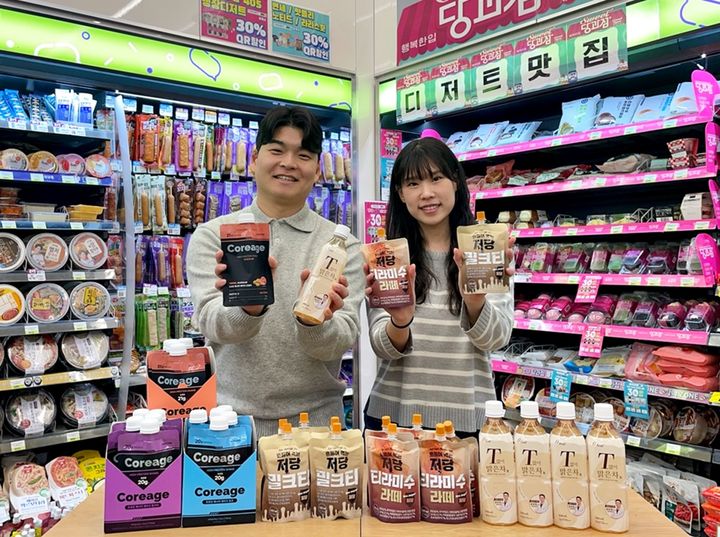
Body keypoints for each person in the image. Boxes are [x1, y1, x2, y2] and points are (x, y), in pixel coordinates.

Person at [187, 105, 364, 438]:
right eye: (277, 150)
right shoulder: (213, 236)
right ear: (255, 160)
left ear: (317, 170)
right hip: (232, 425)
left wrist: (314, 322)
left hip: (317, 428)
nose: (289, 163)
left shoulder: (342, 247)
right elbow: (211, 323)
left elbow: (340, 341)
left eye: (303, 155)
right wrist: (248, 308)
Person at [363, 137, 514, 436]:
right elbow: (381, 347)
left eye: (436, 178)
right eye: (413, 183)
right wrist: (400, 322)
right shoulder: (388, 255)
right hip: (393, 421)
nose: (427, 193)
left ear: (456, 181)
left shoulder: (483, 248)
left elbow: (497, 339)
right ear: (400, 193)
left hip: (466, 423)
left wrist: (475, 303)